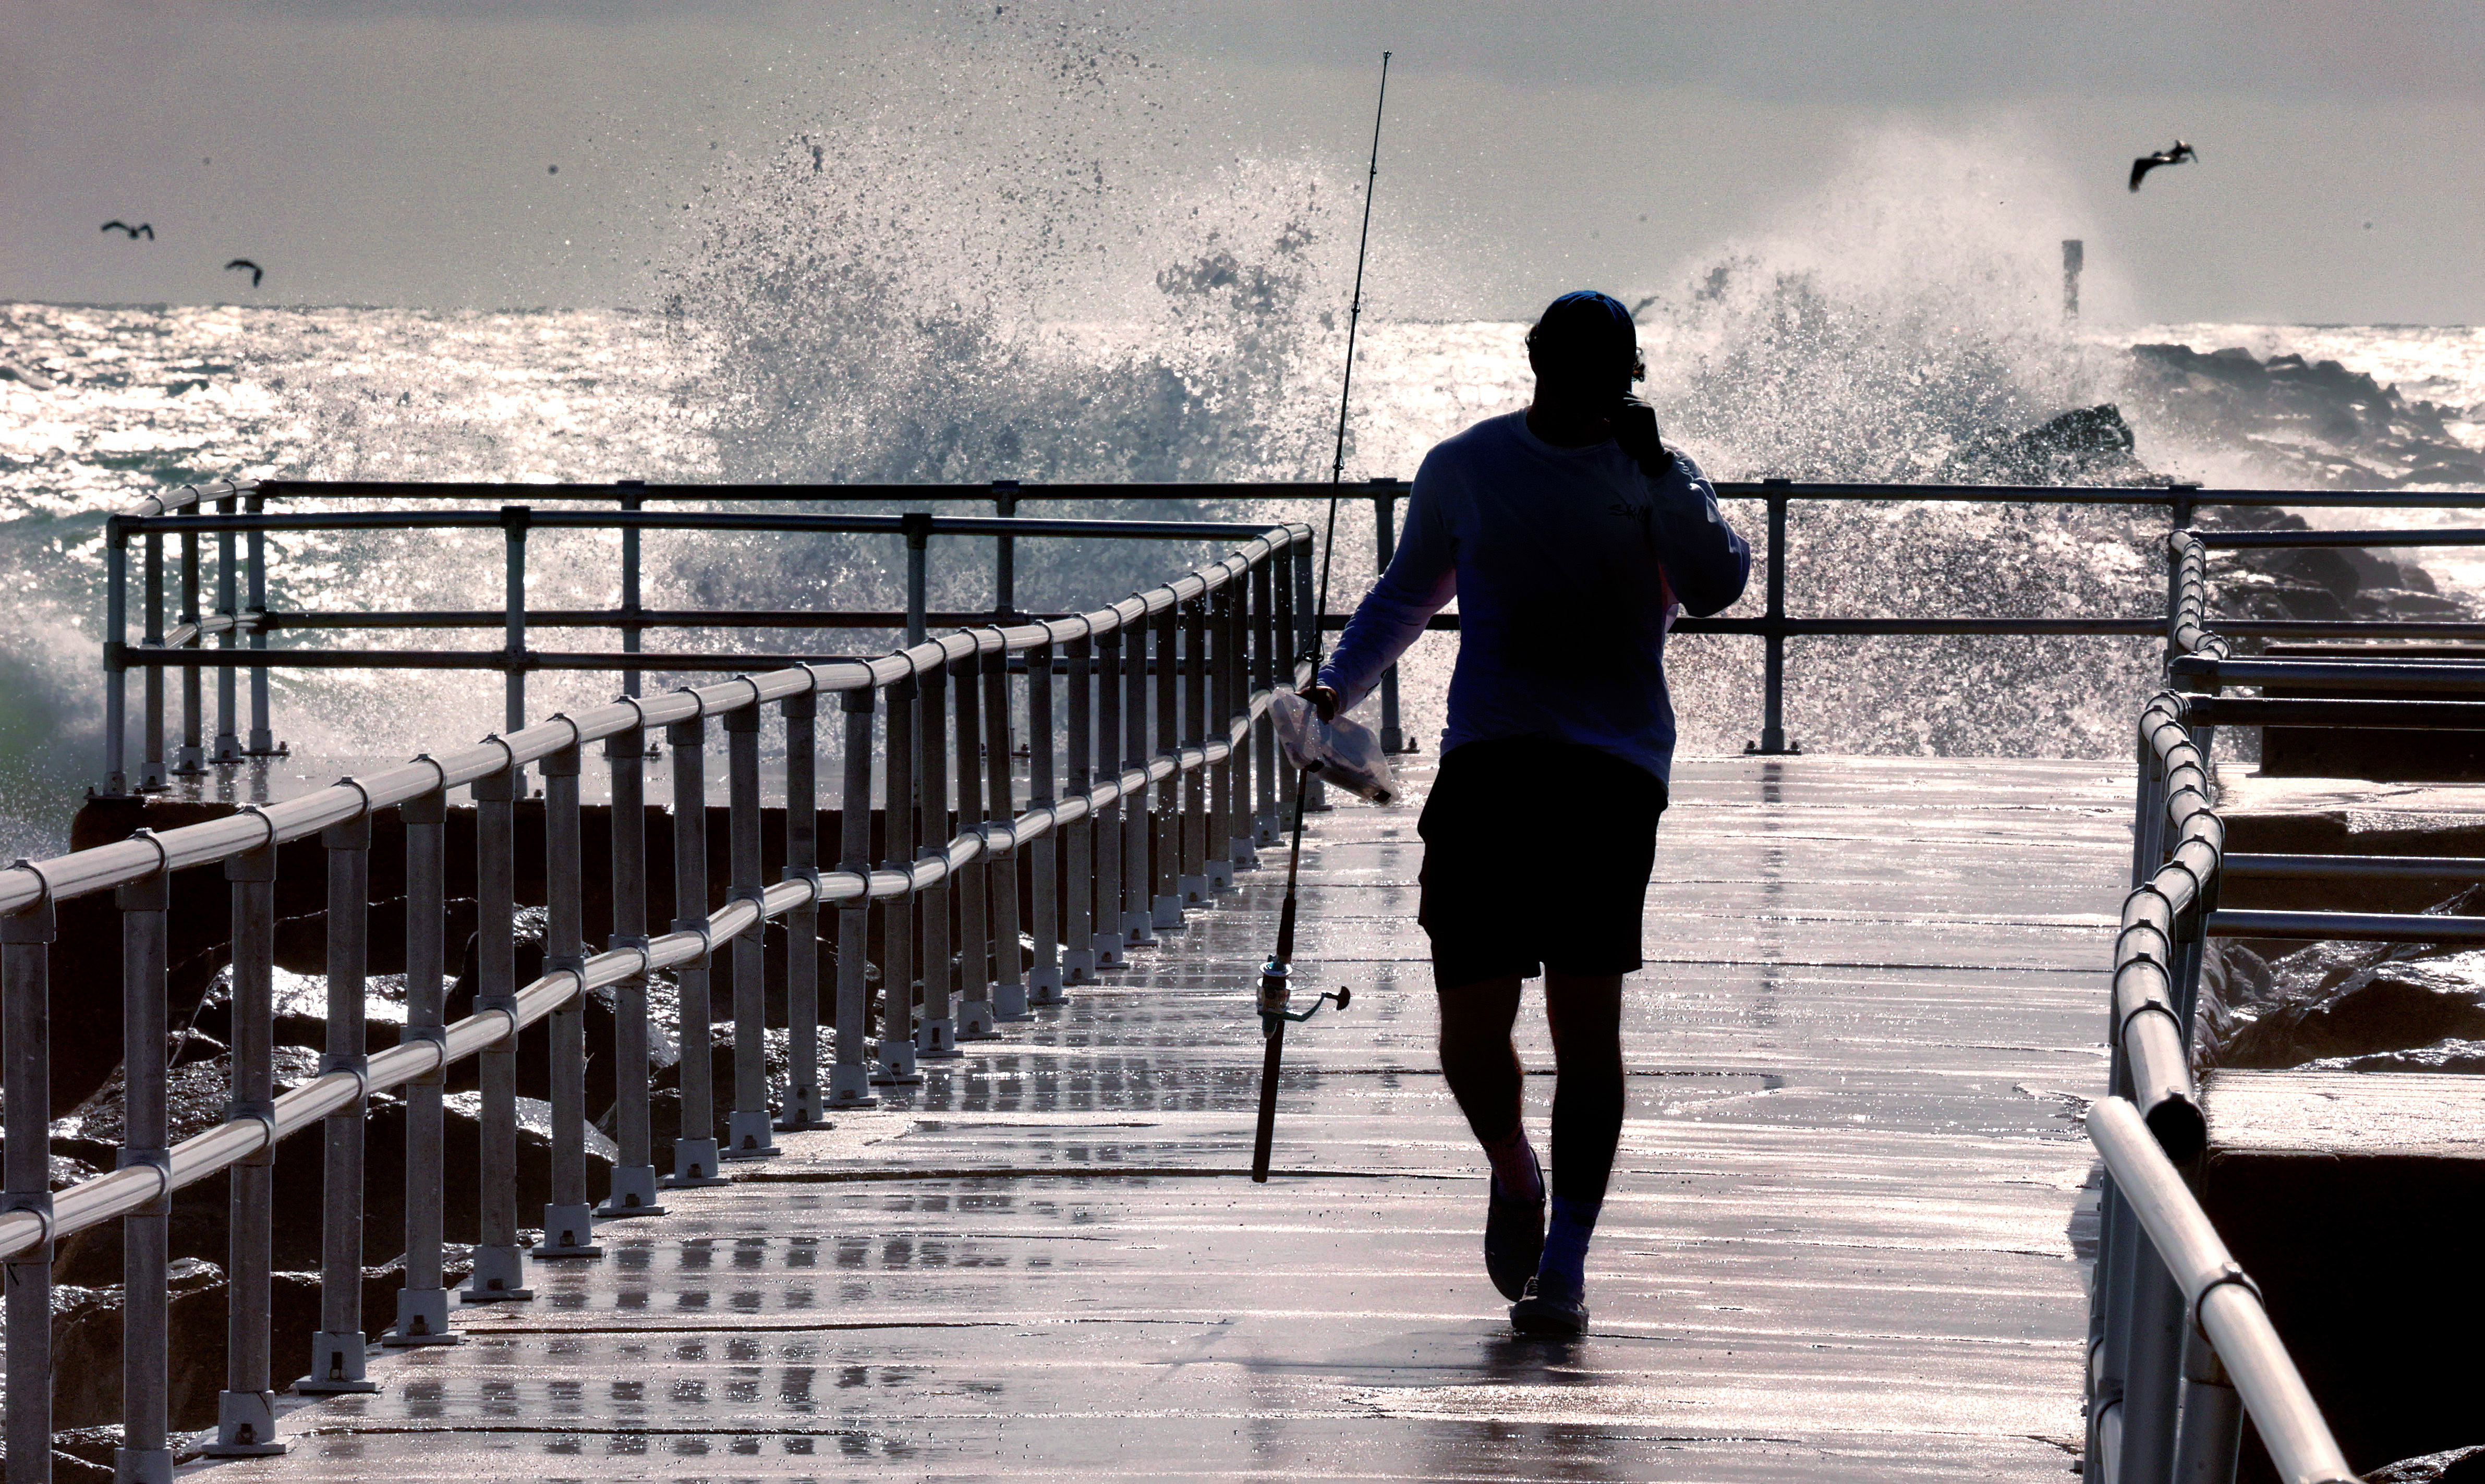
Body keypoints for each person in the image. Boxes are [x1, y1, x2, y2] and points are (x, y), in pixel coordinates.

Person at [1306, 290, 1750, 1337]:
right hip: (1490, 764)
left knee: (1584, 1025)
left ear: (1630, 377)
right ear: (1537, 362)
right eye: (1571, 365)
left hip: (1610, 772)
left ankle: (1566, 1264)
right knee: (1469, 1028)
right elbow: (1404, 599)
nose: (1589, 385)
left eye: (1608, 371)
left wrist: (1660, 477)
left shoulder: (1660, 474)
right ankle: (1515, 1172)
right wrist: (1334, 692)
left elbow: (1717, 583)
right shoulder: (1467, 465)